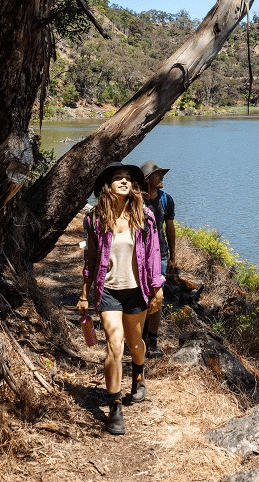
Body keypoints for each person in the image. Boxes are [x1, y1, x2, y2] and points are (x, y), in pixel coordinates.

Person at [77, 162, 164, 435]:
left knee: (135, 343)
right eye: (118, 178)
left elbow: (152, 255)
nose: (125, 181)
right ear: (108, 186)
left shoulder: (145, 217)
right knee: (115, 343)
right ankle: (115, 405)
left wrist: (157, 287)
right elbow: (90, 258)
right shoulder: (94, 220)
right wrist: (83, 293)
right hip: (109, 291)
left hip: (137, 290)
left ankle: (138, 373)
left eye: (128, 178)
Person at [139, 160, 176, 357]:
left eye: (161, 174)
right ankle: (138, 337)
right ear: (147, 179)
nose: (161, 178)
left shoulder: (166, 200)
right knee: (138, 296)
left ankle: (153, 340)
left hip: (160, 254)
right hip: (137, 255)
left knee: (157, 297)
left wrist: (172, 256)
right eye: (157, 175)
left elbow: (170, 228)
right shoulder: (135, 200)